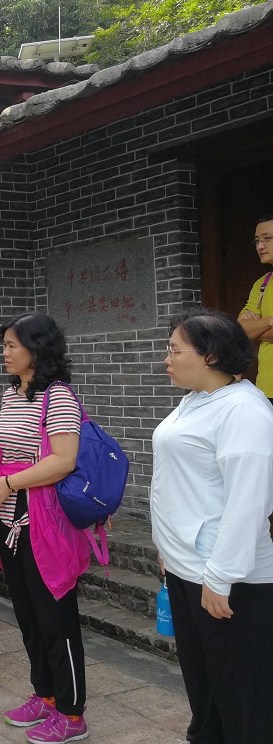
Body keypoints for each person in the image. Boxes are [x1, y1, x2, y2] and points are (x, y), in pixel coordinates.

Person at [152, 308, 273, 744]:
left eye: (174, 350)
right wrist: (167, 549)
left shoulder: (244, 410)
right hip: (187, 567)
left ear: (211, 356)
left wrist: (222, 575)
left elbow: (248, 500)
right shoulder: (196, 400)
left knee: (241, 693)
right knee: (203, 686)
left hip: (226, 578)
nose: (166, 359)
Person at [0, 312, 89, 744]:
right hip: (11, 521)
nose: (4, 353)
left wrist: (7, 483)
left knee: (56, 619)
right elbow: (5, 452)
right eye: (3, 345)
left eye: (11, 345)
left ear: (37, 349)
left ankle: (72, 712)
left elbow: (63, 460)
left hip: (44, 525)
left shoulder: (57, 397)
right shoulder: (12, 394)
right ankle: (46, 696)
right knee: (28, 616)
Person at [237, 214, 273, 404]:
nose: (260, 246)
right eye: (257, 240)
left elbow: (250, 330)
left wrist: (257, 327)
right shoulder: (262, 284)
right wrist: (269, 321)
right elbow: (240, 330)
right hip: (266, 388)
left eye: (267, 239)